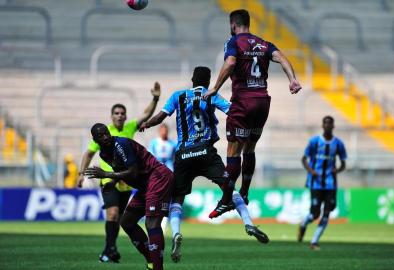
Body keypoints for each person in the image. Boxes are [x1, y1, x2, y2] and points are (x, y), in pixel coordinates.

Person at [140, 66, 269, 264]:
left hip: (184, 154)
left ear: (192, 79)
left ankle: (176, 233)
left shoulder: (178, 95)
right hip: (206, 152)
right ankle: (248, 223)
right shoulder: (211, 95)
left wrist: (147, 124)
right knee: (229, 188)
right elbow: (233, 112)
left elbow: (161, 117)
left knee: (177, 198)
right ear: (209, 81)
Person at [203, 9, 302, 218]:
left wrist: (215, 88)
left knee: (233, 150)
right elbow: (282, 58)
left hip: (243, 101)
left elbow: (230, 63)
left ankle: (226, 199)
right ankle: (245, 192)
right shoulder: (264, 43)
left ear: (233, 25)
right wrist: (292, 79)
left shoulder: (234, 43)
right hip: (262, 102)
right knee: (250, 147)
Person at [77, 82, 161, 263]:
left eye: (122, 113)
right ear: (111, 116)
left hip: (126, 181)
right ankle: (109, 248)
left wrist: (155, 98)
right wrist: (81, 173)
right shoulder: (103, 133)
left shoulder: (129, 128)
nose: (120, 116)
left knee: (121, 218)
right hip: (108, 181)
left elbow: (146, 114)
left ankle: (112, 249)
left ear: (125, 116)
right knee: (113, 214)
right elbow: (89, 153)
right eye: (116, 113)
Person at [84, 123, 173, 270]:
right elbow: (123, 170)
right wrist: (113, 181)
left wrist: (106, 175)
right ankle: (151, 261)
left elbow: (133, 172)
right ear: (95, 140)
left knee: (151, 223)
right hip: (146, 184)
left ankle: (158, 267)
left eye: (106, 133)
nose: (106, 137)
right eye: (101, 136)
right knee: (127, 222)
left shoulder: (121, 144)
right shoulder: (104, 154)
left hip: (157, 177)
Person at [297, 116, 347, 250]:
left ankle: (314, 241)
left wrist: (337, 170)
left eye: (330, 124)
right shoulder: (314, 141)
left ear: (333, 126)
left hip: (330, 183)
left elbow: (343, 164)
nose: (328, 126)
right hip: (316, 183)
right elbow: (304, 159)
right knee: (314, 214)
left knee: (327, 212)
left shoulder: (338, 144)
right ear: (322, 125)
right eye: (326, 123)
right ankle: (303, 224)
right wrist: (311, 170)